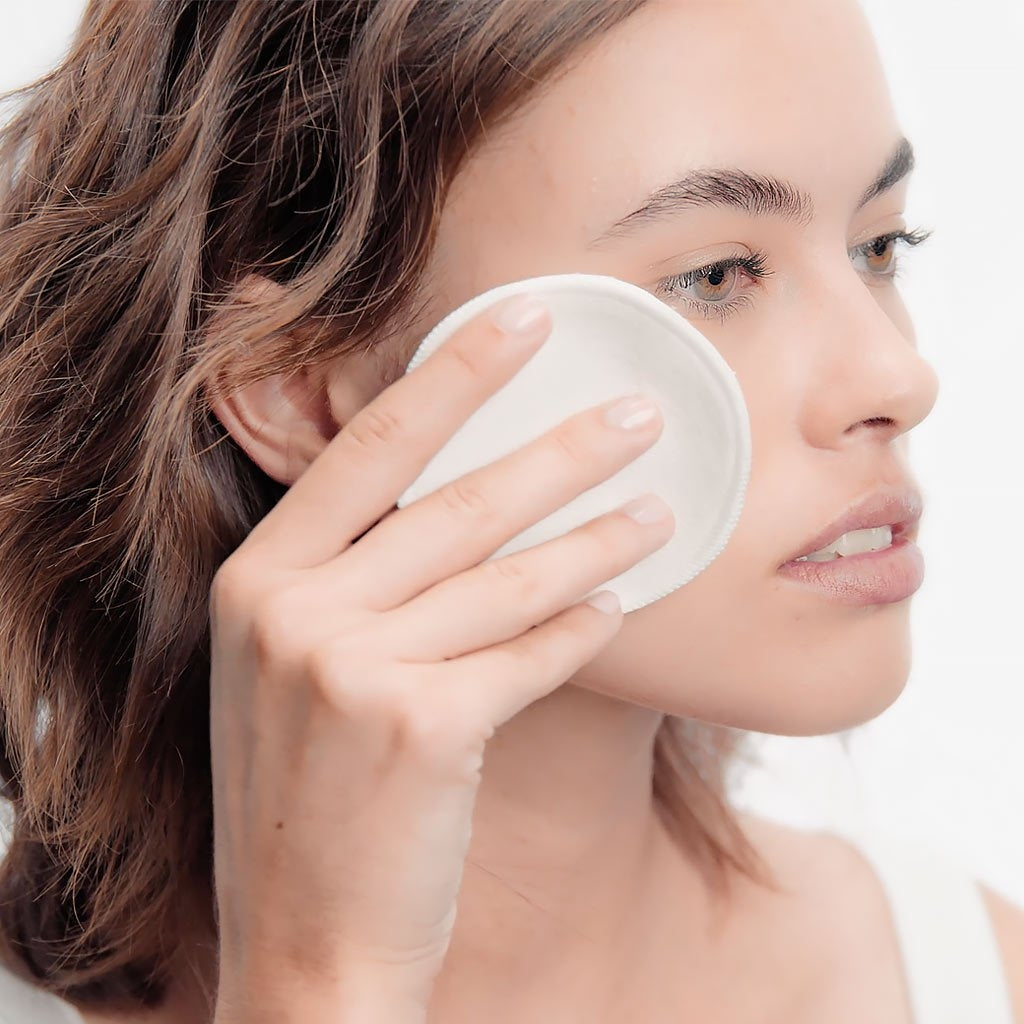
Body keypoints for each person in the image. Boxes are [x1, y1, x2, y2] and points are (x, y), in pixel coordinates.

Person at [0, 0, 1020, 1021]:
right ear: (295, 381)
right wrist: (319, 985)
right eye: (715, 276)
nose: (898, 374)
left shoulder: (977, 975)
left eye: (879, 247)